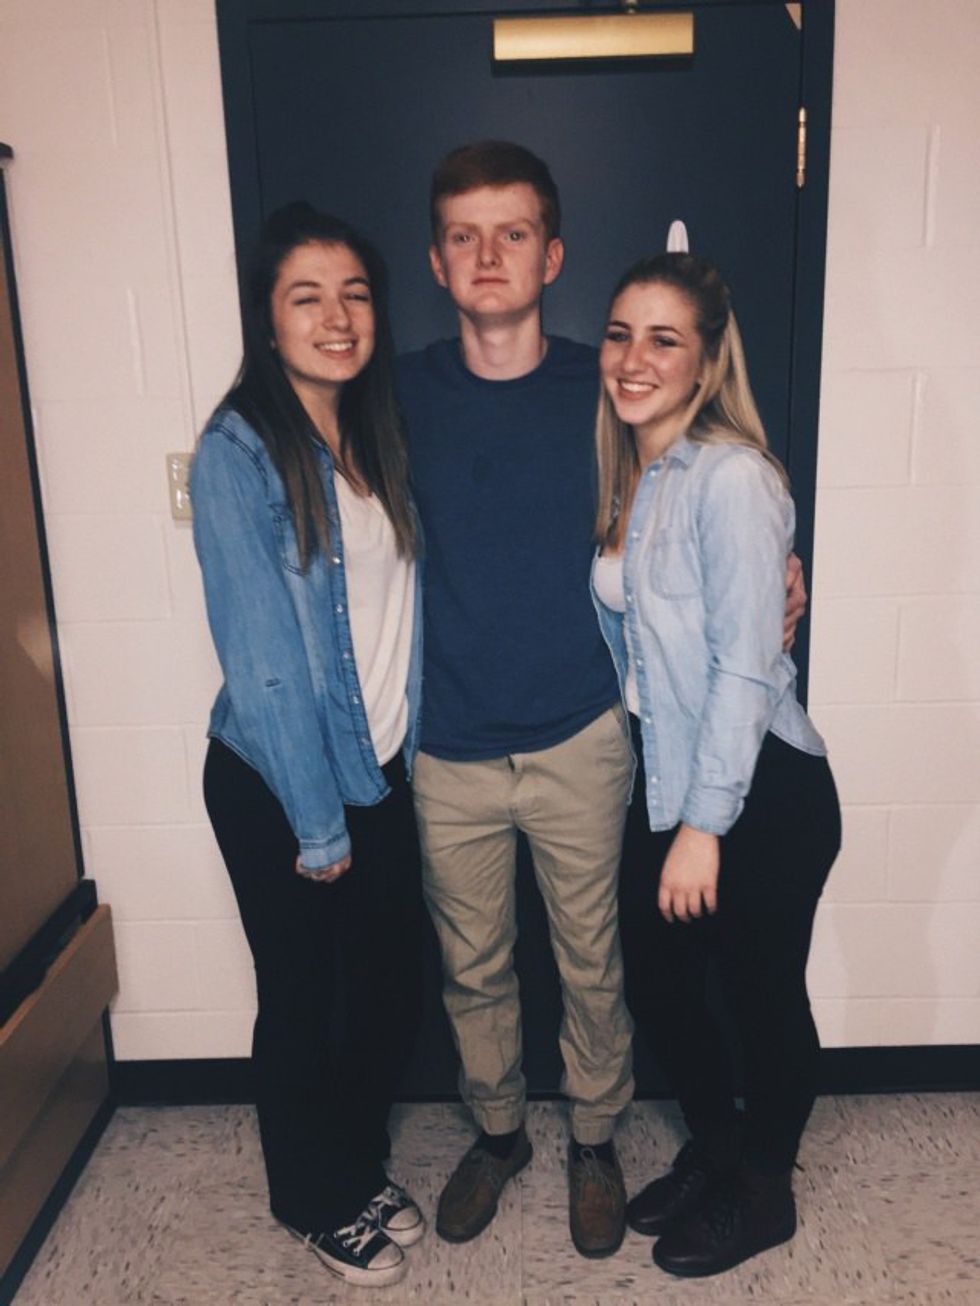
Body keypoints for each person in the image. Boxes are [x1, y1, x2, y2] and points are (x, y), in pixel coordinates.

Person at [396, 142, 807, 1259]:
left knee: (596, 963)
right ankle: (497, 1135)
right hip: (449, 743)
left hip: (583, 737)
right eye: (464, 235)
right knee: (472, 966)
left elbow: (714, 490)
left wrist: (781, 573)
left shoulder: (610, 384)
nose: (488, 254)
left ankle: (592, 1141)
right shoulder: (400, 393)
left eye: (513, 232)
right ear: (435, 261)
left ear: (551, 256)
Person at [592, 252, 841, 1278]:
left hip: (758, 790)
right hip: (674, 775)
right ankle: (720, 1148)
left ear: (704, 361)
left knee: (760, 994)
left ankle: (764, 1187)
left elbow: (744, 668)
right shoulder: (637, 474)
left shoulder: (731, 478)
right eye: (619, 334)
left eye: (664, 339)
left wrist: (704, 826)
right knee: (661, 986)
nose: (633, 358)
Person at [191, 203, 425, 1289]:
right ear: (268, 317)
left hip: (376, 767)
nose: (337, 317)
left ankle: (355, 1165)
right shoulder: (237, 452)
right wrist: (317, 823)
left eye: (355, 294)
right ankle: (310, 1196)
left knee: (379, 988)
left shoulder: (376, 431)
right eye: (307, 296)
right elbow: (266, 663)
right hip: (279, 782)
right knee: (302, 996)